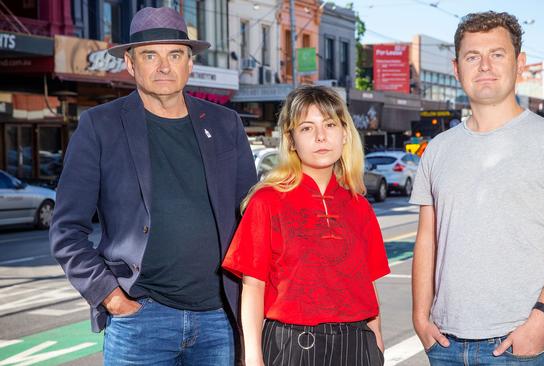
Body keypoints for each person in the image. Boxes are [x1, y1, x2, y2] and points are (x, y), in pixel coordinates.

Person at [49, 7, 257, 365]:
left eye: (175, 55)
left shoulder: (226, 124)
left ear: (189, 63)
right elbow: (66, 230)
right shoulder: (100, 126)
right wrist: (111, 297)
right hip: (140, 319)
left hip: (218, 319)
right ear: (131, 64)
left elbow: (252, 220)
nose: (164, 67)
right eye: (150, 55)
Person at [410, 11, 544, 365]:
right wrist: (420, 316)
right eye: (472, 56)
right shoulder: (437, 149)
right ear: (456, 67)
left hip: (519, 343)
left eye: (497, 54)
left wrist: (541, 321)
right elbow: (426, 240)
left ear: (519, 63)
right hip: (446, 345)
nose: (484, 66)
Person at [222, 85, 389, 366]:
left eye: (330, 124)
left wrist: (377, 344)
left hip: (358, 343)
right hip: (292, 346)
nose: (321, 136)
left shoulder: (360, 207)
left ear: (345, 133)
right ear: (291, 140)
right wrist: (253, 357)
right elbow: (253, 287)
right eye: (307, 128)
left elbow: (367, 286)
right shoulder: (267, 201)